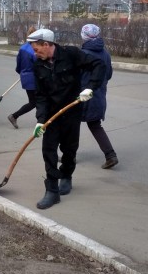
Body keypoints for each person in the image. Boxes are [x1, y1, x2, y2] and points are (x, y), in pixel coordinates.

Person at [27, 28, 107, 210]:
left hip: (71, 112)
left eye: (36, 48)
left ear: (46, 45)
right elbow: (40, 96)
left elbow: (98, 65)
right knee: (49, 150)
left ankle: (67, 176)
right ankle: (52, 190)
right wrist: (40, 120)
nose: (35, 52)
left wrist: (90, 88)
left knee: (69, 150)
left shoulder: (70, 54)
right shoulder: (38, 65)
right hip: (51, 115)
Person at [80, 24, 118, 169]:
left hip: (81, 95)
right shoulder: (105, 54)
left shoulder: (82, 53)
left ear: (84, 36)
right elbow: (108, 75)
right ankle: (111, 155)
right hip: (98, 96)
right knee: (95, 125)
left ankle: (68, 155)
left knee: (72, 126)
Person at [8, 26, 37, 129]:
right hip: (34, 79)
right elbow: (38, 66)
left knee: (37, 101)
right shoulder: (35, 50)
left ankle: (41, 121)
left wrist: (22, 73)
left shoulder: (23, 48)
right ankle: (14, 115)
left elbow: (18, 66)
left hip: (25, 78)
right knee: (35, 102)